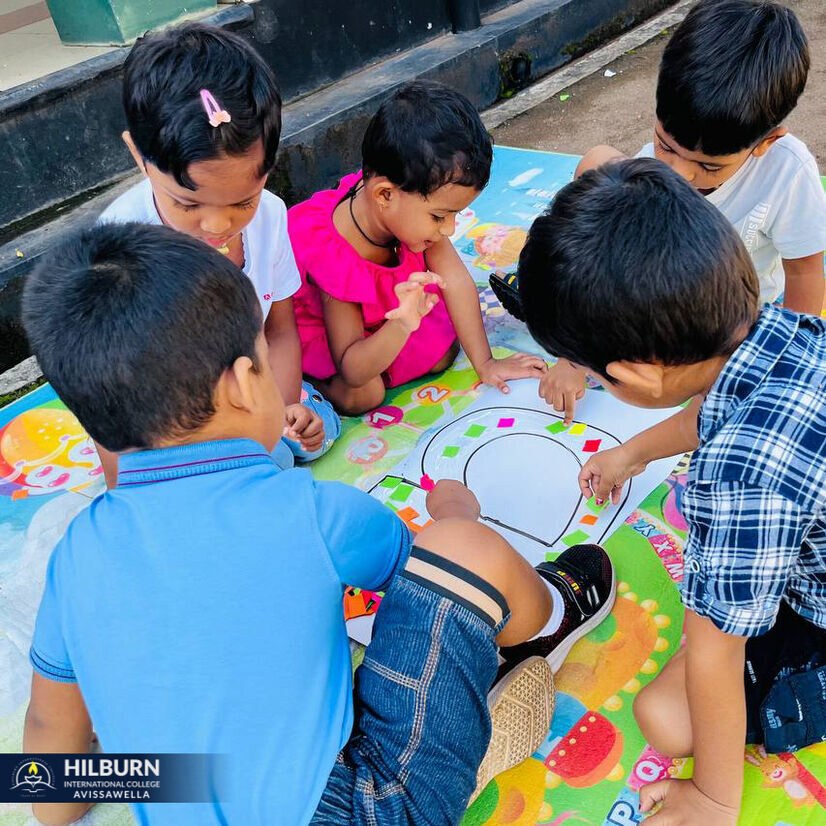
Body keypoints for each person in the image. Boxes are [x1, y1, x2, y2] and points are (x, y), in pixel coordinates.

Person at [20, 222, 615, 826]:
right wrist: (458, 513)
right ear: (246, 380)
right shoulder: (308, 510)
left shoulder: (74, 557)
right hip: (360, 807)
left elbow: (49, 774)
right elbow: (426, 576)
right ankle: (555, 618)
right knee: (464, 551)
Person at [519, 158, 826, 826]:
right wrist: (630, 454)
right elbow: (713, 405)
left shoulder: (737, 474)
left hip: (816, 609)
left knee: (665, 714)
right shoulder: (784, 329)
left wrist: (713, 797)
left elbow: (715, 645)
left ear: (633, 371)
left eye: (600, 380)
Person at [535, 0, 826, 425]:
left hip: (732, 330)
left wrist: (785, 367)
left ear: (765, 141)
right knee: (597, 165)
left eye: (709, 166)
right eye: (665, 145)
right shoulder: (645, 176)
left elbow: (804, 275)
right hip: (654, 313)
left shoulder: (789, 172)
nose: (679, 175)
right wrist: (572, 358)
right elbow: (592, 275)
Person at [98, 22, 339, 482]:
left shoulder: (270, 216)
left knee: (308, 435)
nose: (217, 225)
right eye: (187, 203)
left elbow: (281, 331)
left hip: (252, 391)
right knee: (265, 467)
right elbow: (112, 401)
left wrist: (285, 409)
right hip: (171, 423)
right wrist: (130, 493)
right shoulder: (119, 246)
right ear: (138, 154)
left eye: (242, 201)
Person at [288, 80, 547, 415]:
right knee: (365, 394)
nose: (450, 229)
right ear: (384, 195)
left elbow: (455, 279)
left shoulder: (401, 208)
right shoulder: (337, 256)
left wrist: (485, 363)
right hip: (332, 336)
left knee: (442, 353)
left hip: (387, 312)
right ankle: (312, 385)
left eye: (454, 215)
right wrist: (400, 325)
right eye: (440, 216)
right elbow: (352, 367)